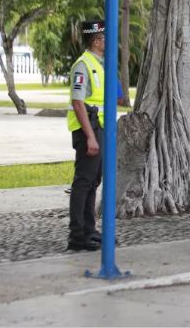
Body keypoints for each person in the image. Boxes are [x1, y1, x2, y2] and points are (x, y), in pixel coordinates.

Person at [66, 20, 106, 251]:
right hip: (87, 130)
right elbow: (78, 103)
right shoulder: (83, 65)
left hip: (98, 128)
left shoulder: (99, 64)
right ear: (96, 40)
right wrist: (90, 137)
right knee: (83, 182)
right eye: (104, 37)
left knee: (92, 182)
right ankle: (77, 235)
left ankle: (89, 230)